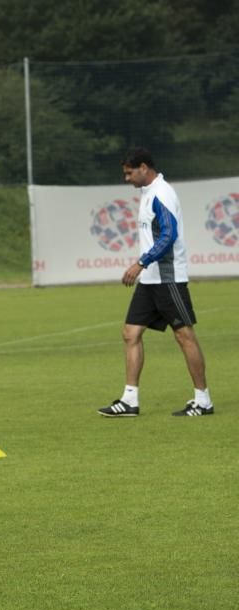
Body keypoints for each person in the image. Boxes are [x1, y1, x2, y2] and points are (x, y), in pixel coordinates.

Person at [97, 148, 213, 418]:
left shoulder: (162, 193)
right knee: (130, 333)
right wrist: (144, 268)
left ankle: (203, 400)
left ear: (144, 168)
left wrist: (141, 262)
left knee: (184, 336)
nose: (126, 178)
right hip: (150, 280)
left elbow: (169, 235)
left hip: (167, 278)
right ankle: (129, 401)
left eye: (129, 172)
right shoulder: (148, 193)